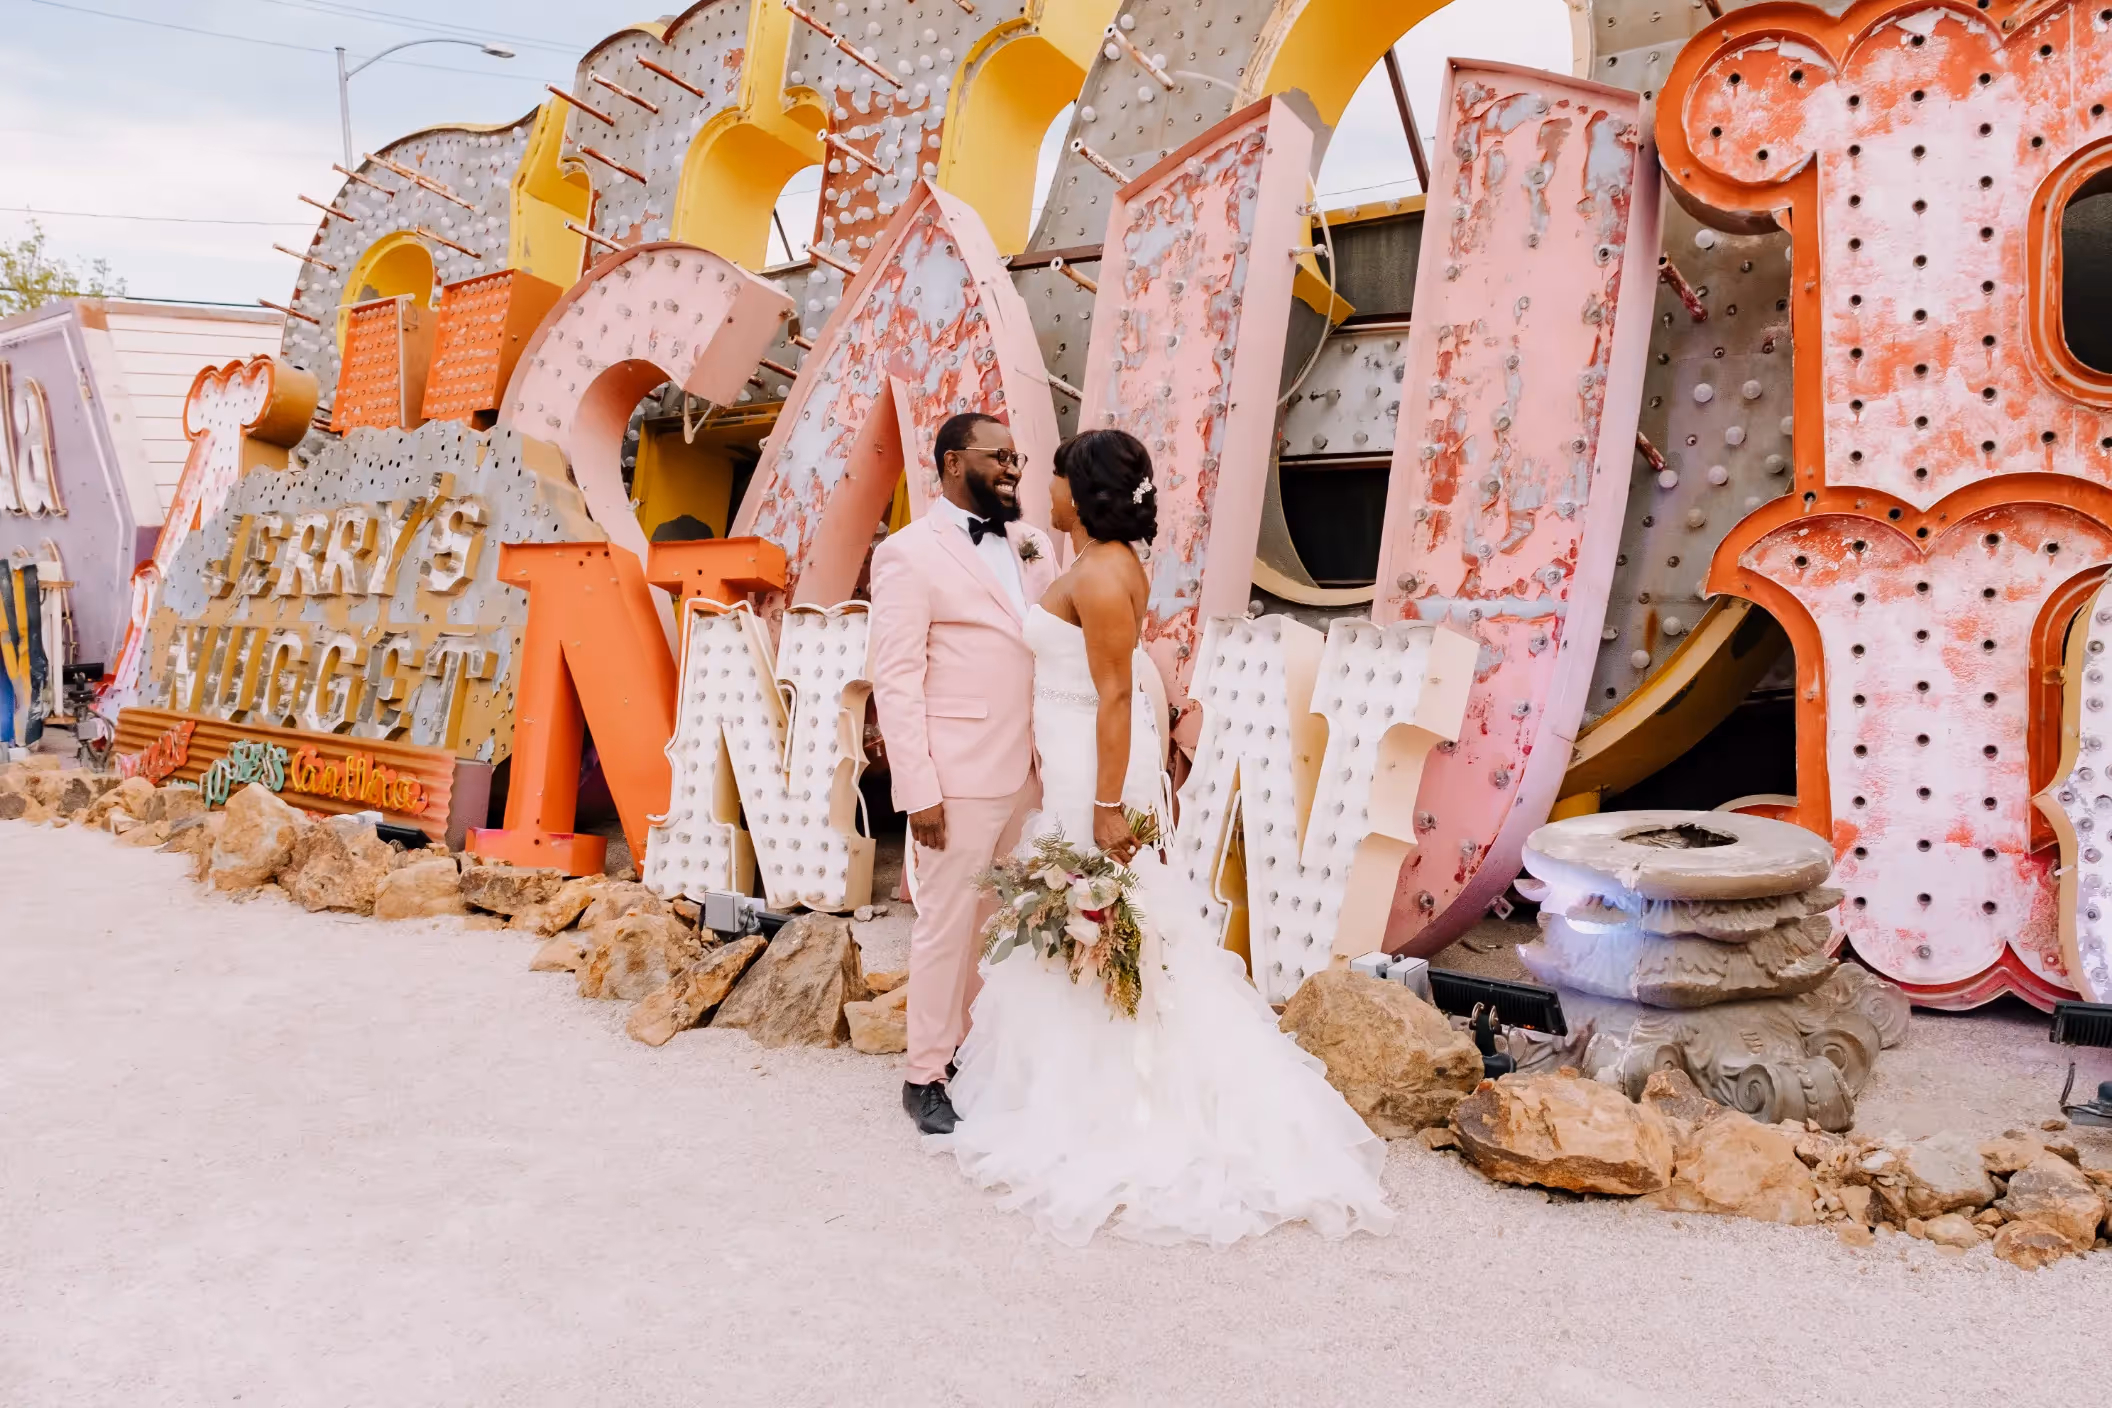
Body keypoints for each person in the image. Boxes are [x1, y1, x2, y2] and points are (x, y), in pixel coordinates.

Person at [929, 428, 1396, 1248]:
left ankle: (1125, 1107)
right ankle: (1077, 1086)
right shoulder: (1092, 561)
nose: (1047, 488)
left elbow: (1115, 696)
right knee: (1085, 932)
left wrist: (1108, 804)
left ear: (1086, 492)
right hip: (1072, 763)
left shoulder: (1103, 574)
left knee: (1111, 925)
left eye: (1059, 477)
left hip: (1095, 772)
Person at [867, 413, 1060, 1136]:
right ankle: (925, 1073)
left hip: (1031, 770)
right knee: (946, 927)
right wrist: (917, 789)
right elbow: (896, 677)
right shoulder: (907, 553)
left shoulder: (1034, 544)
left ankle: (978, 1056)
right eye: (998, 455)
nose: (1012, 468)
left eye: (1017, 456)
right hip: (956, 776)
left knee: (1003, 925)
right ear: (953, 462)